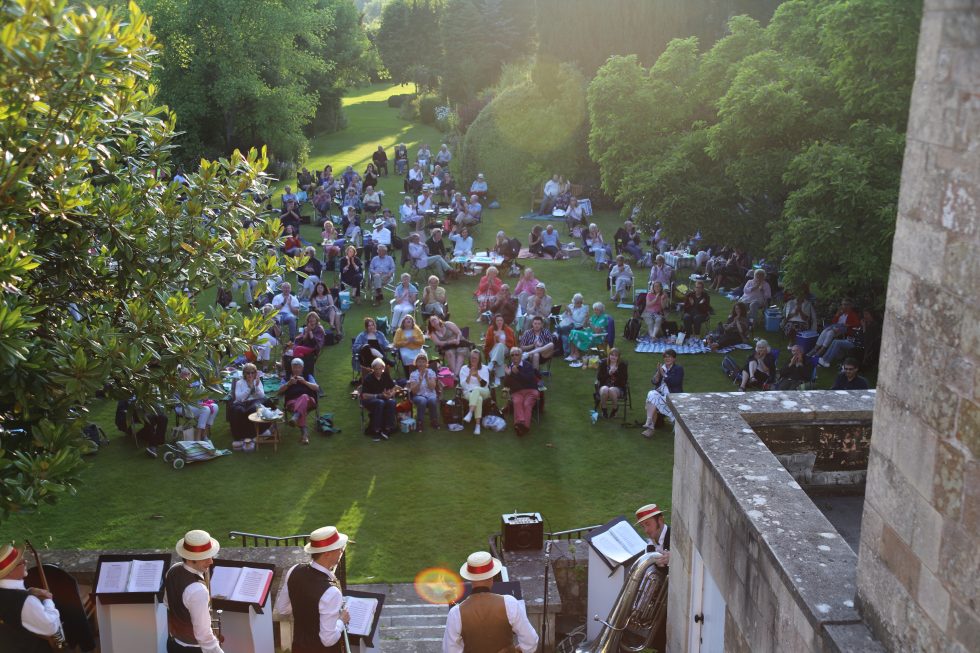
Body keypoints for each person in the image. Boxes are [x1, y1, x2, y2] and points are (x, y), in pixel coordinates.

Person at [442, 551, 538, 653]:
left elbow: (449, 650)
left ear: (470, 578)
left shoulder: (456, 613)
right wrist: (518, 650)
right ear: (492, 576)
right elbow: (531, 642)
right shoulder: (510, 603)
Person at [275, 526, 351, 653]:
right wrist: (341, 621)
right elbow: (328, 640)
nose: (342, 551)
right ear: (327, 554)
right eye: (340, 548)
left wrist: (308, 607)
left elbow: (282, 609)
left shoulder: (294, 570)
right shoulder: (332, 593)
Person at [165, 530, 224, 653]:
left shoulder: (173, 570)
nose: (211, 561)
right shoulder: (198, 591)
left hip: (173, 644)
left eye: (211, 556)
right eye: (205, 558)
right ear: (191, 559)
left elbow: (167, 602)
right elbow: (204, 636)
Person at [0, 542, 62, 652]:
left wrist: (29, 591)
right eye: (21, 562)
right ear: (9, 572)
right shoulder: (26, 601)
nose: (26, 562)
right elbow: (51, 627)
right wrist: (48, 599)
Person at [642, 349, 683, 438]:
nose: (667, 359)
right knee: (651, 394)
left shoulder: (678, 369)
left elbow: (674, 382)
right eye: (665, 357)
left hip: (672, 396)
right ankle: (650, 424)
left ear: (674, 359)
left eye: (670, 357)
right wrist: (658, 372)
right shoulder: (662, 368)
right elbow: (654, 381)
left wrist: (663, 374)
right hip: (661, 395)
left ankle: (650, 426)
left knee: (652, 400)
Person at [279, 357, 319, 444]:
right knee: (301, 406)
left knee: (304, 396)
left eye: (299, 367)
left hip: (309, 401)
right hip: (292, 402)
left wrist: (305, 382)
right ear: (291, 368)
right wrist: (288, 384)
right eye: (294, 367)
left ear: (302, 368)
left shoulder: (308, 376)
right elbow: (280, 391)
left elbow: (316, 388)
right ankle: (304, 434)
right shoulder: (286, 378)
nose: (296, 369)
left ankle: (296, 416)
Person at [504, 346, 540, 436]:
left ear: (521, 356)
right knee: (517, 402)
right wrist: (508, 375)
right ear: (510, 357)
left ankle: (522, 426)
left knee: (527, 404)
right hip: (517, 392)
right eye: (512, 355)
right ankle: (521, 426)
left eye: (517, 354)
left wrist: (517, 373)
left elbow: (530, 379)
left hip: (530, 390)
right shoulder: (509, 367)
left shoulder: (527, 365)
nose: (514, 357)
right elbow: (506, 384)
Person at [175, 366, 219, 440]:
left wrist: (202, 393)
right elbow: (178, 402)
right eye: (185, 374)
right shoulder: (177, 385)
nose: (187, 377)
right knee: (205, 409)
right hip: (182, 407)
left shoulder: (195, 384)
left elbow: (205, 398)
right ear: (181, 376)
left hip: (196, 406)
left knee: (215, 406)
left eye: (189, 374)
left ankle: (204, 434)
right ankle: (197, 437)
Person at [228, 363, 266, 445]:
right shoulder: (239, 383)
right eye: (248, 373)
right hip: (241, 403)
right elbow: (239, 398)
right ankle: (238, 437)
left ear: (255, 373)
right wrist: (249, 389)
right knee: (238, 410)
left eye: (252, 373)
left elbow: (262, 396)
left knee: (253, 409)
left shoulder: (257, 382)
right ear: (244, 373)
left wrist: (256, 387)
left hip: (254, 401)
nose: (250, 375)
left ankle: (252, 435)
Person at [361, 358, 397, 439]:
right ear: (372, 369)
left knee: (392, 402)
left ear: (383, 368)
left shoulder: (385, 375)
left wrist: (391, 394)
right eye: (376, 369)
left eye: (380, 369)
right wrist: (378, 396)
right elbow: (364, 395)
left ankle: (388, 428)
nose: (378, 371)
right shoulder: (368, 378)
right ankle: (376, 430)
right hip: (369, 401)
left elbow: (393, 387)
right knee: (380, 402)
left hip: (383, 398)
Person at [458, 350, 491, 435]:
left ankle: (470, 412)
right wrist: (469, 375)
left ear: (479, 359)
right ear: (469, 358)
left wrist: (477, 376)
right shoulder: (464, 369)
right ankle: (477, 425)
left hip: (484, 391)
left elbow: (485, 385)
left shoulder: (484, 368)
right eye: (472, 358)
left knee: (477, 389)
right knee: (478, 399)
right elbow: (463, 385)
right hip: (468, 392)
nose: (473, 360)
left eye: (475, 358)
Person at [409, 353, 440, 431]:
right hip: (418, 395)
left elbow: (432, 387)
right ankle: (420, 422)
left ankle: (434, 421)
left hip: (430, 394)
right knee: (422, 401)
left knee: (432, 400)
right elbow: (413, 391)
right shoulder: (413, 374)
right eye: (419, 362)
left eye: (423, 362)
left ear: (426, 363)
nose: (421, 364)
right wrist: (419, 381)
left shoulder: (431, 372)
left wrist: (426, 378)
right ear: (416, 363)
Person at [596, 347, 628, 418]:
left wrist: (616, 373)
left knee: (611, 390)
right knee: (605, 389)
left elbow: (624, 380)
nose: (613, 357)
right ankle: (604, 409)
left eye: (615, 355)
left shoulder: (622, 365)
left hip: (618, 387)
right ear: (609, 355)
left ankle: (615, 408)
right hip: (604, 385)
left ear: (618, 357)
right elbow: (599, 378)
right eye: (612, 355)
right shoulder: (603, 363)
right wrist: (609, 373)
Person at [484, 313, 516, 381]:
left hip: (506, 349)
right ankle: (498, 377)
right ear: (495, 321)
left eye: (501, 320)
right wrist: (494, 338)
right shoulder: (491, 329)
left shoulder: (508, 329)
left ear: (503, 321)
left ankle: (492, 363)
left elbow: (511, 343)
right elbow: (487, 342)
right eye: (497, 320)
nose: (499, 322)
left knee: (500, 345)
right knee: (499, 354)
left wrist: (500, 340)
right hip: (493, 350)